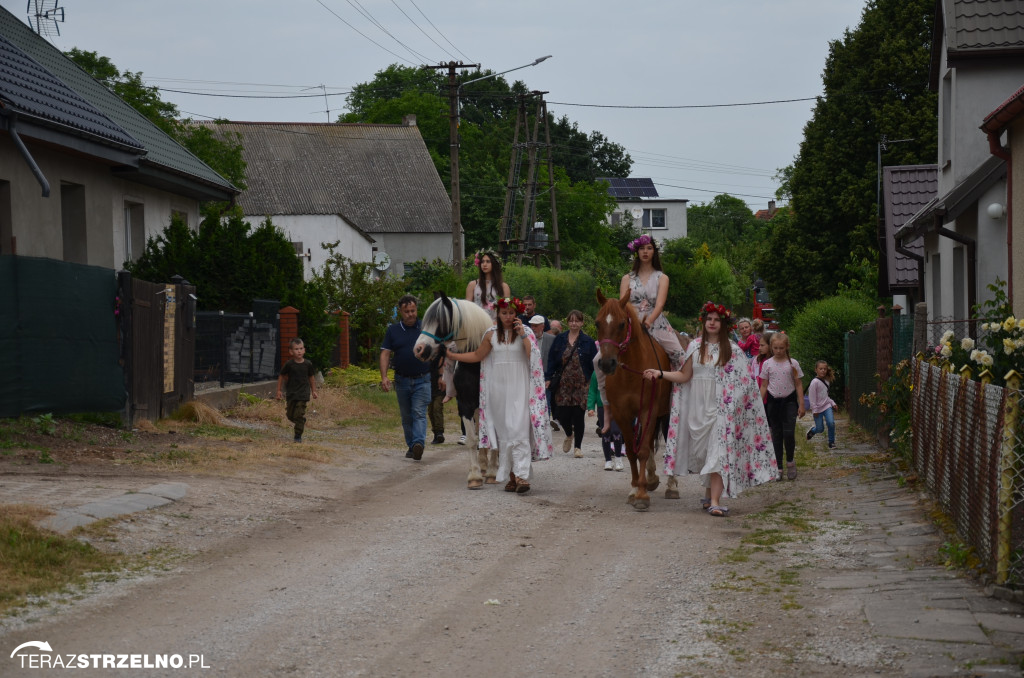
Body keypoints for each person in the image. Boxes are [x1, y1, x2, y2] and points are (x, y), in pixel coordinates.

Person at [645, 302, 775, 517]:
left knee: (718, 453)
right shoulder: (694, 347)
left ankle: (715, 501)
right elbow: (685, 376)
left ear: (723, 324)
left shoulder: (733, 351)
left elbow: (745, 384)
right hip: (698, 410)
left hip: (721, 410)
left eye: (716, 319)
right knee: (706, 454)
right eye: (709, 319)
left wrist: (732, 406)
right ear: (704, 322)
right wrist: (660, 373)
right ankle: (708, 495)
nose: (712, 323)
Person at [447, 297, 552, 494]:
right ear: (498, 314)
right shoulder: (490, 334)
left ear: (516, 313)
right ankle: (512, 476)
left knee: (519, 430)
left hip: (519, 386)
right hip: (497, 390)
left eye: (511, 313)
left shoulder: (526, 331)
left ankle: (521, 476)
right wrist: (454, 357)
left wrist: (522, 335)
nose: (507, 316)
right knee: (505, 433)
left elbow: (533, 357)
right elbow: (478, 356)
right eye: (504, 313)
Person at [380, 295, 431, 461]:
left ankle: (418, 443)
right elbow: (385, 353)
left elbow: (438, 349)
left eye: (413, 310)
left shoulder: (426, 326)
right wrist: (384, 376)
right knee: (407, 416)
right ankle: (412, 446)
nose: (411, 314)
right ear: (400, 312)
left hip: (422, 379)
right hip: (402, 380)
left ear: (417, 309)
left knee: (419, 412)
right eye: (407, 311)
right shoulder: (393, 330)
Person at [618, 234, 683, 366]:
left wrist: (647, 322)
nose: (645, 251)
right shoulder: (626, 278)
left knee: (681, 357)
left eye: (649, 248)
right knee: (599, 359)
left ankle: (676, 387)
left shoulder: (662, 278)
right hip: (631, 323)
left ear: (655, 252)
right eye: (642, 248)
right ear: (637, 252)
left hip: (656, 322)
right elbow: (622, 305)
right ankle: (604, 387)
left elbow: (659, 305)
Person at [546, 309, 598, 458]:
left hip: (581, 383)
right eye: (571, 320)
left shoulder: (588, 341)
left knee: (578, 415)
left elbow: (594, 362)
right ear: (568, 322)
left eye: (577, 320)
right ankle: (569, 434)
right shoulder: (560, 339)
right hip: (563, 383)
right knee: (561, 414)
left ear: (581, 322)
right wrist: (548, 377)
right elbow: (551, 358)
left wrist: (595, 381)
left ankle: (578, 448)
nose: (574, 323)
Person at [759, 332, 805, 480]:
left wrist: (802, 404)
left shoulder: (793, 364)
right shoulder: (767, 364)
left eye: (781, 348)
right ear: (771, 348)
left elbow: (798, 384)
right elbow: (764, 385)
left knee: (788, 433)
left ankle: (790, 461)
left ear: (786, 347)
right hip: (773, 401)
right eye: (775, 348)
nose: (778, 351)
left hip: (789, 401)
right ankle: (778, 467)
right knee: (776, 435)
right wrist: (759, 404)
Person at [276, 337, 318, 443]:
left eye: (301, 348)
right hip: (291, 393)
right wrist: (279, 390)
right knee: (290, 415)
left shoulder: (308, 364)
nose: (299, 351)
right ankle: (301, 421)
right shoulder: (289, 364)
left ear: (304, 350)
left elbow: (311, 377)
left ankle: (298, 436)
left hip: (303, 393)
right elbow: (281, 375)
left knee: (298, 414)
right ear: (291, 351)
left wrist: (314, 391)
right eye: (296, 349)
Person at [587, 370, 624, 470]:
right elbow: (593, 390)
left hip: (616, 406)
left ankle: (618, 458)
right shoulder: (596, 373)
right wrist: (590, 407)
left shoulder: (618, 371)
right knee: (605, 433)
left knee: (616, 431)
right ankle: (608, 460)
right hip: (601, 406)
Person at [529, 314, 559, 432]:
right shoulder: (527, 338)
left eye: (536, 326)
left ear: (542, 326)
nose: (533, 328)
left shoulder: (551, 339)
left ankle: (544, 424)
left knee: (545, 400)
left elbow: (555, 358)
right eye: (532, 325)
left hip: (546, 375)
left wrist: (551, 376)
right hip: (530, 374)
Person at [465, 249, 511, 321]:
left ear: (494, 264)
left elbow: (507, 309)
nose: (484, 264)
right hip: (477, 324)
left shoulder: (504, 287)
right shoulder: (472, 285)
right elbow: (467, 308)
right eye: (482, 262)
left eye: (488, 261)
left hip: (496, 325)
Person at [806, 360, 838, 449]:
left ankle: (831, 442)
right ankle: (813, 431)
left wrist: (832, 403)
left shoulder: (827, 381)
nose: (823, 370)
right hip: (817, 409)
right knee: (820, 429)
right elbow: (811, 397)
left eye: (824, 369)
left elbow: (826, 396)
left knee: (831, 423)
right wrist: (815, 410)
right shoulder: (814, 382)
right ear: (816, 370)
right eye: (821, 369)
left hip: (827, 406)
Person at [427, 352, 445, 445]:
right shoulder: (424, 356)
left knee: (437, 408)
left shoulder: (440, 355)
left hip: (439, 386)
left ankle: (439, 432)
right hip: (428, 386)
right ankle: (435, 432)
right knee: (430, 411)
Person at [755, 332, 773, 397]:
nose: (759, 348)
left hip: (769, 395)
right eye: (759, 345)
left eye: (762, 345)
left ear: (770, 345)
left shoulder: (772, 361)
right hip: (760, 392)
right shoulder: (760, 358)